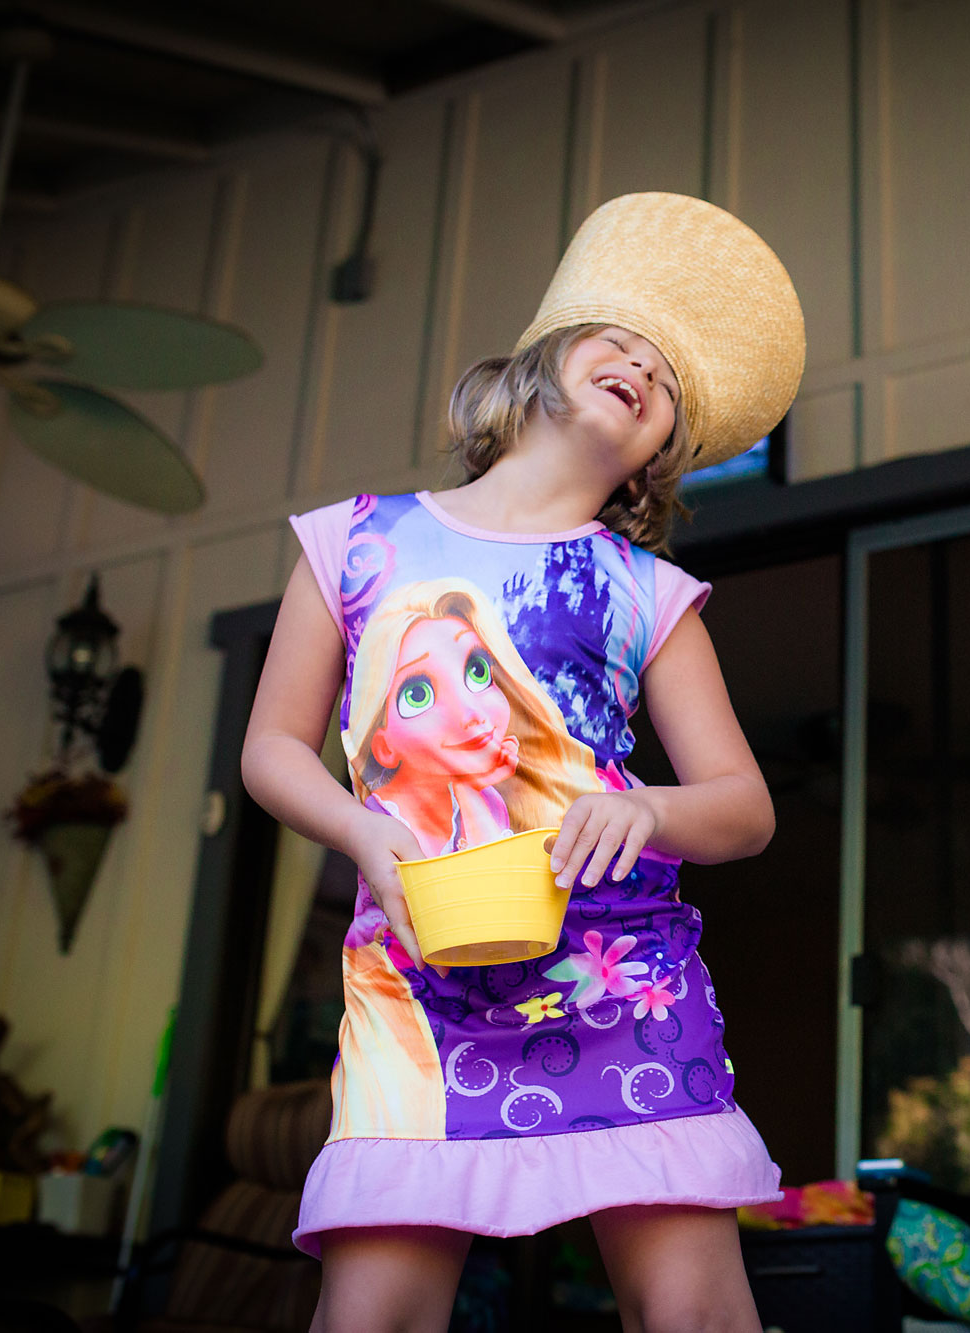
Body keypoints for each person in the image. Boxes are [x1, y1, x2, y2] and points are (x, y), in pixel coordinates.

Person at [242, 191, 805, 1333]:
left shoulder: (650, 592)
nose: (642, 369)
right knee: (374, 1314)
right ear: (541, 360)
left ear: (661, 453)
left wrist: (647, 810)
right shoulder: (354, 538)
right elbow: (269, 747)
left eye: (668, 383)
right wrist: (358, 828)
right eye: (622, 341)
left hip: (618, 980)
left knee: (691, 1311)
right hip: (414, 982)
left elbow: (744, 809)